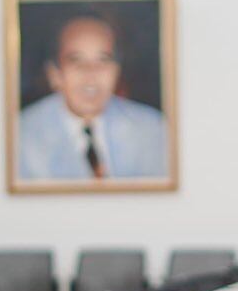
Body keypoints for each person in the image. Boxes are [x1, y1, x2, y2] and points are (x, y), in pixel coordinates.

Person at [15, 11, 169, 181]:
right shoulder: (21, 136)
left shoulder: (153, 130)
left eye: (103, 60)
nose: (91, 74)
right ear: (55, 74)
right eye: (76, 61)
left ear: (117, 70)